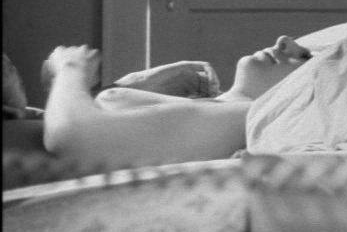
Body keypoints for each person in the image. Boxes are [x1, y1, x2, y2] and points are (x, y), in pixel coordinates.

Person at [42, 36, 313, 171]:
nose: (285, 41)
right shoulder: (215, 106)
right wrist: (124, 87)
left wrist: (71, 67)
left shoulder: (249, 115)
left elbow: (72, 137)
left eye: (306, 57)